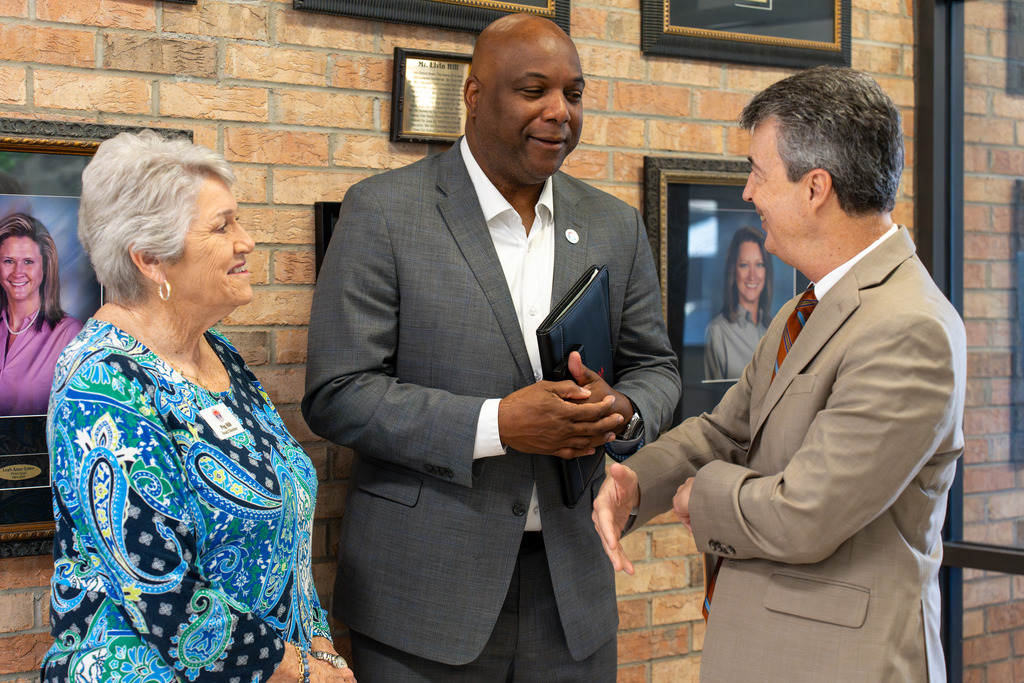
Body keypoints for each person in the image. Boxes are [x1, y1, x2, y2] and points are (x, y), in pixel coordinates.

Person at [303, 13, 680, 683]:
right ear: (474, 96)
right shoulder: (384, 213)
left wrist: (620, 407)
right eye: (534, 90)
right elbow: (339, 393)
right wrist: (497, 424)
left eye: (575, 93)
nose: (559, 112)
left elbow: (656, 367)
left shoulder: (613, 225)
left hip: (572, 601)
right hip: (422, 600)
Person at [593, 66, 966, 681]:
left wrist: (696, 497)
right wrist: (637, 481)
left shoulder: (910, 328)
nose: (747, 193)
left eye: (758, 173)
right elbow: (724, 433)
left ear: (815, 187)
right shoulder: (805, 309)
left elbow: (806, 513)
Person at [42, 130, 355, 683]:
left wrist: (320, 646)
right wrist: (303, 671)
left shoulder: (220, 354)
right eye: (222, 225)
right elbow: (163, 597)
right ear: (151, 260)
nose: (247, 241)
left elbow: (286, 528)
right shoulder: (103, 386)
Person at [0, 212, 82, 416]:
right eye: (8, 261)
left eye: (28, 261)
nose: (18, 271)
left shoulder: (69, 334)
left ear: (45, 267)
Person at [703, 226, 773, 380]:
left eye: (759, 265)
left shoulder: (777, 328)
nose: (752, 276)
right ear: (733, 272)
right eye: (744, 265)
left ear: (766, 270)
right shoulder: (717, 332)